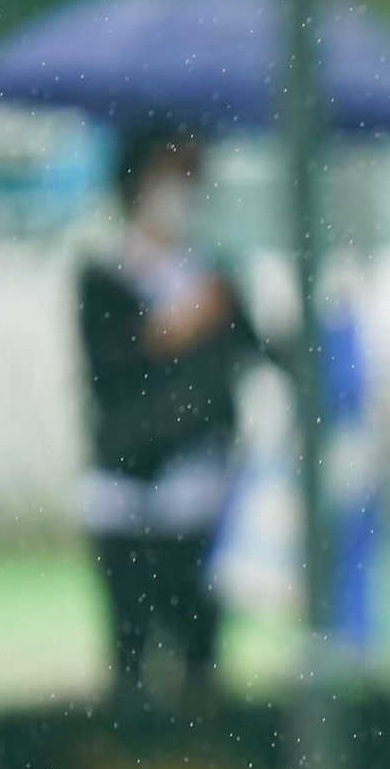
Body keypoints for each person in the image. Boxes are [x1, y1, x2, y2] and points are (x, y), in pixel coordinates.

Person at [75, 123, 262, 709]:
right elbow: (107, 368)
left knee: (199, 657)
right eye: (169, 173)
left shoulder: (215, 275)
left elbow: (258, 352)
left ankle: (200, 758)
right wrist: (175, 326)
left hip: (200, 486)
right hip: (128, 484)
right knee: (130, 654)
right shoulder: (104, 274)